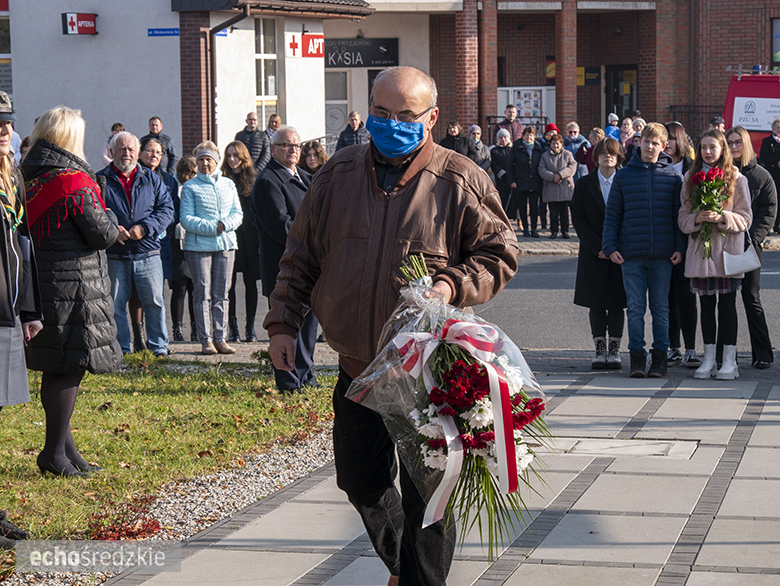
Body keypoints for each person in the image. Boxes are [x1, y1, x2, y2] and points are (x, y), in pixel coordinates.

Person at [264, 66, 518, 586]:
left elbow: (500, 252)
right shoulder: (336, 175)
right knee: (360, 481)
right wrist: (283, 325)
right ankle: (405, 568)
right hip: (358, 369)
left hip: (427, 373)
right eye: (381, 114)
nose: (392, 124)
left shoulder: (458, 178)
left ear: (432, 118)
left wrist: (451, 284)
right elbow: (301, 256)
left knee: (430, 499)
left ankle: (423, 581)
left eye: (406, 116)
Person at [22, 105, 122, 476]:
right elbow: (104, 234)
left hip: (44, 285)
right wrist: (110, 213)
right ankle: (53, 454)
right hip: (74, 288)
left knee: (58, 366)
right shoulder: (73, 182)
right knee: (69, 369)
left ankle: (66, 451)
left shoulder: (28, 176)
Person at [602, 123, 686, 379]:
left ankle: (659, 357)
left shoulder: (673, 177)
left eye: (655, 143)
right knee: (636, 308)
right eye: (646, 141)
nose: (650, 146)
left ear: (663, 147)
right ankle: (637, 357)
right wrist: (610, 246)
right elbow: (613, 215)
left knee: (660, 308)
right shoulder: (624, 176)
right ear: (639, 143)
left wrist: (680, 247)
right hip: (631, 254)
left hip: (663, 255)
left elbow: (677, 217)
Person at [0, 93, 42, 541]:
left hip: (7, 310)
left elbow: (22, 246)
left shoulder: (12, 176)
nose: (3, 132)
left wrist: (29, 307)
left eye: (7, 125)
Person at [679, 129, 752, 380]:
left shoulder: (737, 179)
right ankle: (709, 359)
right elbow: (682, 218)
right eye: (703, 147)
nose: (707, 152)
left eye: (712, 147)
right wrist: (696, 218)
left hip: (726, 253)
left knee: (728, 307)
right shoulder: (690, 178)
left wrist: (723, 217)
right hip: (702, 256)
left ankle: (729, 362)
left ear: (722, 149)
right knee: (706, 307)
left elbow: (745, 218)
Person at [252, 126, 319, 391]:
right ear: (273, 149)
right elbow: (282, 226)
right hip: (284, 267)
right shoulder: (268, 181)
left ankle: (306, 376)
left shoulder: (306, 177)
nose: (293, 150)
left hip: (310, 264)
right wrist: (316, 237)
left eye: (297, 145)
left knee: (309, 326)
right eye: (287, 145)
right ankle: (289, 382)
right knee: (287, 326)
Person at [97, 132, 174, 357]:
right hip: (115, 253)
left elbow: (167, 210)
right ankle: (122, 349)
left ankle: (158, 348)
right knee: (116, 305)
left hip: (147, 252)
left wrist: (144, 228)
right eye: (121, 149)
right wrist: (112, 230)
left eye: (131, 149)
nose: (127, 153)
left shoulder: (152, 178)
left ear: (138, 153)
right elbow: (94, 211)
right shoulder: (100, 180)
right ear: (111, 153)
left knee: (154, 302)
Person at [180, 142, 243, 355]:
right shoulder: (190, 186)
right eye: (201, 160)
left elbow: (238, 213)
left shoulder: (228, 184)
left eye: (209, 159)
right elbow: (186, 219)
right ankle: (205, 339)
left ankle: (221, 338)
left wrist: (224, 225)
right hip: (198, 248)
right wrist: (213, 227)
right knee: (202, 292)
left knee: (222, 293)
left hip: (226, 245)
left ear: (216, 161)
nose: (205, 163)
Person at [571, 137, 626, 369]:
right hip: (593, 252)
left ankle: (614, 349)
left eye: (612, 152)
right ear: (596, 157)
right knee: (595, 302)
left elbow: (630, 216)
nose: (607, 156)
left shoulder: (624, 182)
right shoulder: (584, 184)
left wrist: (614, 247)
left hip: (619, 251)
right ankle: (599, 348)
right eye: (603, 152)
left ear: (618, 156)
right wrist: (598, 247)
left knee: (616, 302)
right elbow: (579, 219)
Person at [725, 126, 776, 369]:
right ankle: (726, 355)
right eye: (730, 142)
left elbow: (769, 211)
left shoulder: (761, 176)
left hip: (749, 246)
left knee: (751, 298)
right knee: (725, 301)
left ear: (746, 144)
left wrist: (753, 238)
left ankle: (763, 353)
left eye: (738, 142)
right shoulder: (721, 174)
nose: (734, 146)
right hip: (722, 245)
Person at [664, 121, 700, 368]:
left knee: (686, 295)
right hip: (664, 239)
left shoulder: (692, 169)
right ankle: (672, 347)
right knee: (666, 298)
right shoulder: (657, 166)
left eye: (671, 139)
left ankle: (690, 348)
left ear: (681, 141)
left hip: (688, 239)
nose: (666, 143)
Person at [222, 141, 259, 343]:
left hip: (250, 238)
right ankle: (233, 327)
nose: (232, 159)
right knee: (230, 284)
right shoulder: (222, 180)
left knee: (250, 282)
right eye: (229, 155)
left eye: (236, 155)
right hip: (230, 235)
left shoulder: (254, 180)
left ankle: (250, 328)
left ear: (243, 157)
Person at [171, 156, 197, 342]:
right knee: (180, 287)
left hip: (196, 240)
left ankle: (196, 329)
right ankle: (177, 329)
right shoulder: (173, 186)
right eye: (192, 172)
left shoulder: (198, 186)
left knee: (195, 288)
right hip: (177, 242)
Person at [538, 133, 577, 239]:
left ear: (561, 144)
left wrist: (560, 175)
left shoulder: (568, 155)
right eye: (553, 143)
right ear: (550, 144)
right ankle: (553, 231)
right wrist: (553, 177)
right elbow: (541, 170)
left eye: (557, 144)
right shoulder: (545, 156)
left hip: (564, 187)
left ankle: (565, 231)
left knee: (564, 212)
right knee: (553, 213)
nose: (555, 146)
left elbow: (572, 167)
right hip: (551, 188)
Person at [507, 125, 543, 237]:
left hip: (535, 182)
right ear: (523, 136)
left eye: (531, 135)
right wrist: (511, 180)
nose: (529, 137)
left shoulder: (538, 148)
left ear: (534, 137)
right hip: (520, 181)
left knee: (533, 207)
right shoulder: (517, 148)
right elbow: (510, 166)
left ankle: (534, 228)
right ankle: (525, 228)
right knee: (522, 206)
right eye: (527, 135)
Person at [759, 118, 780, 233]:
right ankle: (769, 226)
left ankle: (778, 225)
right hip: (772, 174)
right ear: (773, 129)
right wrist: (776, 163)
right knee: (773, 200)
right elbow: (764, 156)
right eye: (777, 128)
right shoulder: (767, 141)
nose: (779, 130)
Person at [490, 128, 513, 216]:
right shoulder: (494, 150)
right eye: (501, 138)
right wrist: (502, 173)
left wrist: (510, 174)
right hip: (501, 179)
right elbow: (493, 164)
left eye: (505, 137)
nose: (503, 139)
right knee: (502, 200)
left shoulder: (512, 150)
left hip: (511, 179)